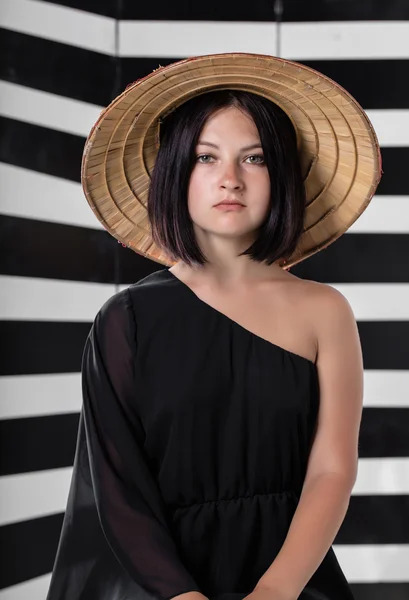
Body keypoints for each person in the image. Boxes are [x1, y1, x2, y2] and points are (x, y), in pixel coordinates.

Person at [46, 53, 382, 600]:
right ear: (177, 173)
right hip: (156, 583)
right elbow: (117, 487)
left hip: (292, 578)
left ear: (284, 176)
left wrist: (276, 590)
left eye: (254, 158)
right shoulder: (125, 319)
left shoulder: (325, 311)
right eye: (207, 157)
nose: (230, 179)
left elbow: (332, 470)